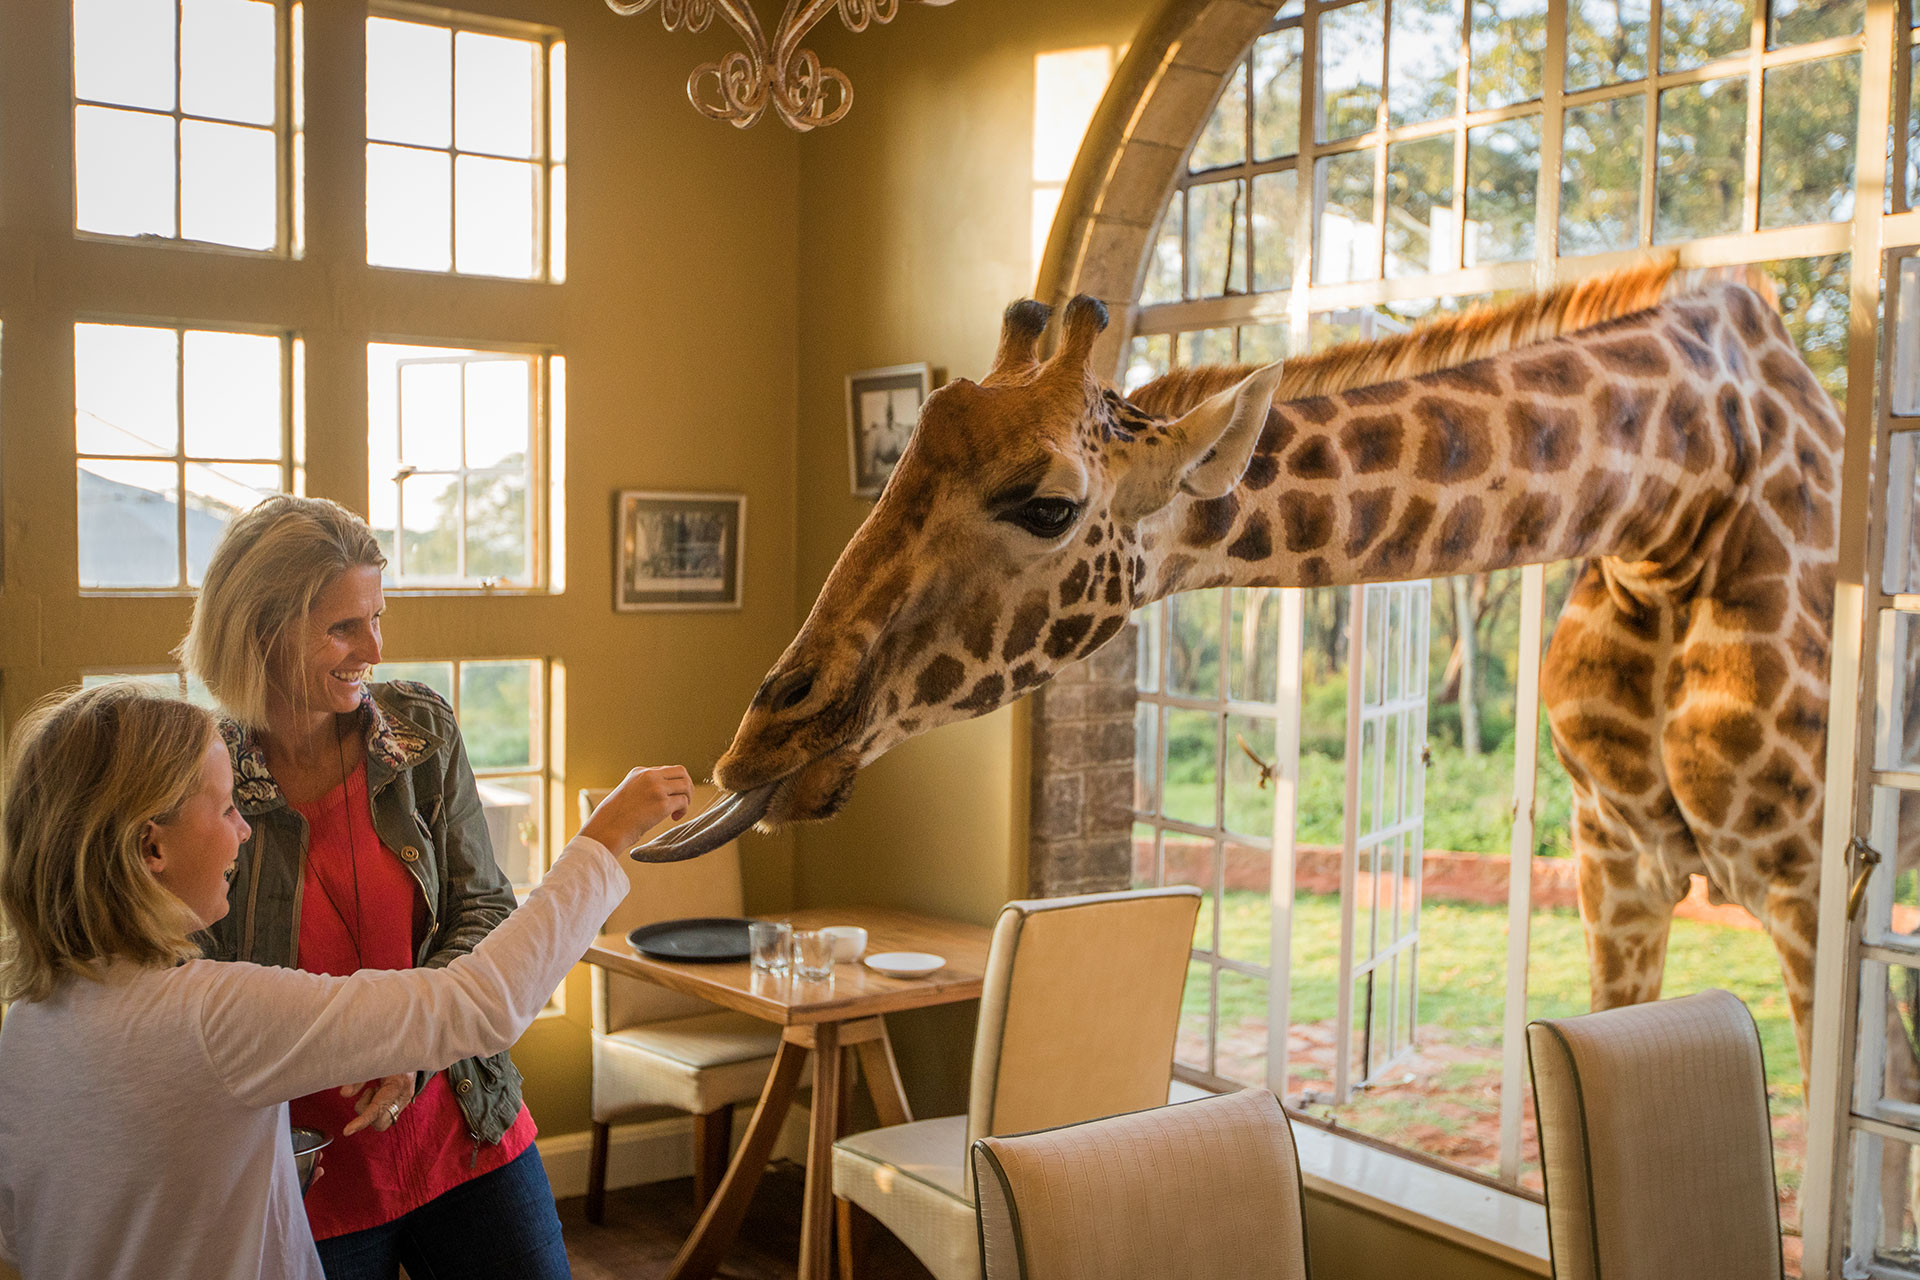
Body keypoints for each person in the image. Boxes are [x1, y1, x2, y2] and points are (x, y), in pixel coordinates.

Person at [0, 680, 691, 1280]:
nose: (244, 831)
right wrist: (604, 838)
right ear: (152, 847)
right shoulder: (213, 1014)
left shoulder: (27, 1029)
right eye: (225, 809)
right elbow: (483, 1003)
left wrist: (262, 1173)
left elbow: (37, 1231)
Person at [175, 495, 560, 1277]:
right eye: (345, 627)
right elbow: (193, 984)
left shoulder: (422, 734)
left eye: (377, 618)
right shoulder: (197, 776)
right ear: (263, 632)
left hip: (465, 1127)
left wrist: (414, 1045)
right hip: (306, 1174)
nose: (373, 649)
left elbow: (484, 906)